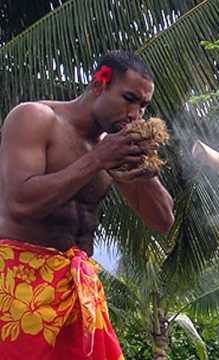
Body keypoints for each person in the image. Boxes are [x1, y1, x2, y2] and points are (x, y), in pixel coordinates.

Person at [0, 51, 174, 359]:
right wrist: (97, 160)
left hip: (80, 291)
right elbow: (20, 203)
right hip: (19, 288)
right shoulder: (35, 118)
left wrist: (143, 167)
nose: (135, 113)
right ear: (98, 85)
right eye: (129, 98)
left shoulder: (112, 146)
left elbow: (162, 220)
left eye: (143, 106)